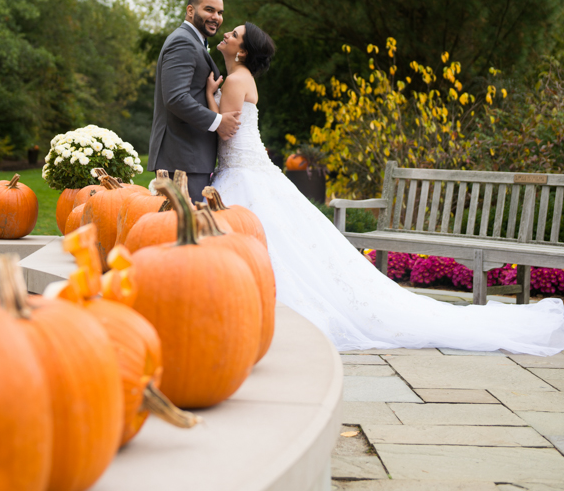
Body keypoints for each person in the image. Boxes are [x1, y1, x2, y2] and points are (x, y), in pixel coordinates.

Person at [207, 22, 564, 355]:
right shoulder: (240, 77)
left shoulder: (236, 80)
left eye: (234, 33)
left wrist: (209, 97)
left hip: (244, 172)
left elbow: (225, 129)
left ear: (242, 50)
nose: (226, 33)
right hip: (249, 170)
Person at [148, 0, 242, 203]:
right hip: (181, 157)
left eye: (220, 12)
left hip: (189, 157)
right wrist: (217, 121)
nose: (216, 17)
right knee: (184, 228)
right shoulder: (183, 42)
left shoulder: (194, 41)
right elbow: (175, 98)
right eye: (209, 10)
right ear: (190, 10)